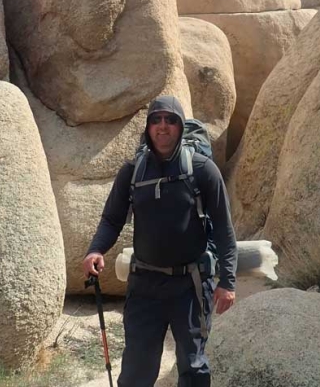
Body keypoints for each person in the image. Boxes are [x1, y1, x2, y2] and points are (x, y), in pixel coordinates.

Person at [83, 95, 237, 387]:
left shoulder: (203, 169)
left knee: (193, 367)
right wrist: (96, 250)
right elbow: (112, 219)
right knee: (137, 369)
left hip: (190, 284)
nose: (162, 127)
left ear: (180, 126)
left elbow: (224, 229)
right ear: (148, 127)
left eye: (170, 120)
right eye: (156, 120)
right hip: (145, 285)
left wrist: (227, 281)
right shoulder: (133, 171)